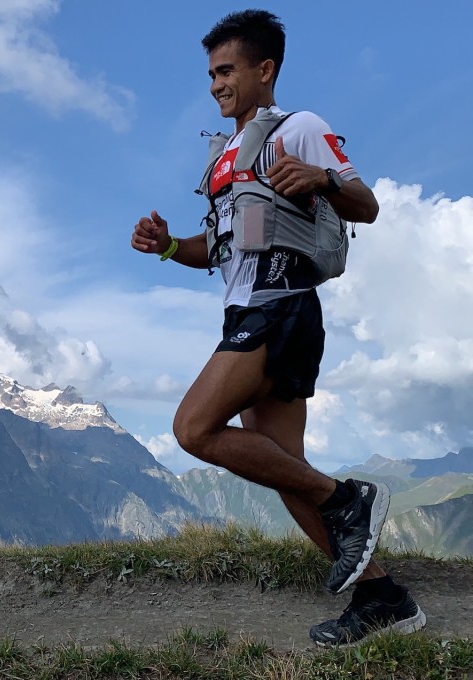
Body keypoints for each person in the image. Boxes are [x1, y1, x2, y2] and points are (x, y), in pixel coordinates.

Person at [130, 9, 426, 646]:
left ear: (265, 70)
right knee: (280, 467)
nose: (215, 84)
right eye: (210, 73)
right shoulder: (225, 156)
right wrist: (163, 246)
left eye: (227, 70)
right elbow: (216, 250)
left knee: (192, 428)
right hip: (250, 310)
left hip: (282, 307)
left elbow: (365, 205)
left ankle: (349, 497)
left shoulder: (301, 129)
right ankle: (382, 597)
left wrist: (321, 178)